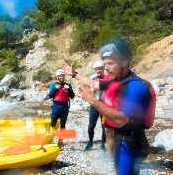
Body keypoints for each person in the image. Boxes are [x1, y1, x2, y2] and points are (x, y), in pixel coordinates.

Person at [62, 38, 153, 175]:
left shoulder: (135, 86)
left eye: (111, 63)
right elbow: (93, 84)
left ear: (124, 62)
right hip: (121, 138)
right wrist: (74, 74)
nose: (106, 68)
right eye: (105, 64)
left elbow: (121, 120)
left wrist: (93, 100)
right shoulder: (117, 81)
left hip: (132, 142)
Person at [84, 60, 108, 153]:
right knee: (91, 125)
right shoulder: (93, 79)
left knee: (104, 126)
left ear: (103, 69)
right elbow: (89, 92)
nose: (98, 71)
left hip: (104, 105)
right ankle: (90, 142)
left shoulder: (108, 79)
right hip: (94, 104)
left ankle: (102, 144)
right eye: (96, 70)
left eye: (100, 69)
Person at [48, 69, 75, 145]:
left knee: (63, 124)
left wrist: (69, 89)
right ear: (57, 77)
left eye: (63, 76)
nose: (62, 77)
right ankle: (51, 137)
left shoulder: (68, 85)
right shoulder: (53, 85)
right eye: (60, 76)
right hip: (56, 106)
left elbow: (72, 96)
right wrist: (56, 89)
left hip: (64, 107)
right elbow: (50, 96)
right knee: (53, 123)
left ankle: (60, 140)